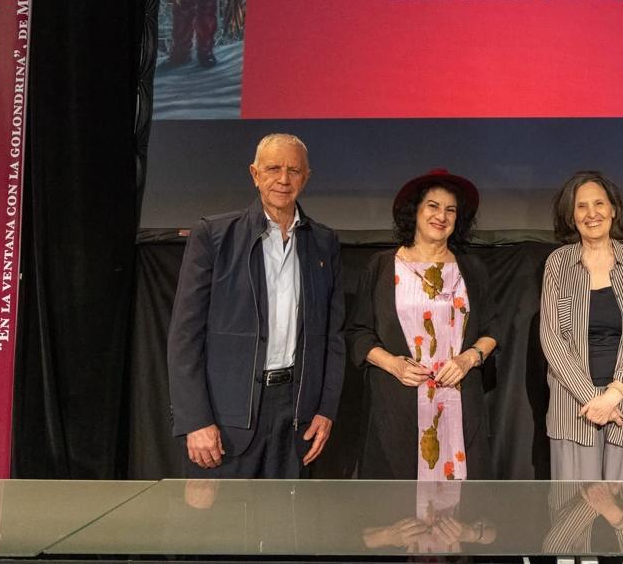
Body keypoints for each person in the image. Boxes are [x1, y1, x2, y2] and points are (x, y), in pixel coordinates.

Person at [167, 133, 345, 477]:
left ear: (306, 177)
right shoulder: (214, 236)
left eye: (294, 170)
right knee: (225, 514)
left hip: (297, 417)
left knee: (288, 513)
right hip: (227, 420)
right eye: (273, 168)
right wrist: (195, 419)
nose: (283, 179)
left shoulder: (324, 242)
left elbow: (333, 337)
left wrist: (326, 410)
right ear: (255, 174)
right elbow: (185, 336)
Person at [346, 169, 498, 479]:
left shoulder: (472, 268)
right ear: (414, 211)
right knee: (398, 502)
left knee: (462, 504)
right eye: (433, 206)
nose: (441, 216)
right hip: (397, 407)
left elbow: (491, 330)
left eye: (450, 210)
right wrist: (393, 364)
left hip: (459, 404)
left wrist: (468, 359)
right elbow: (358, 333)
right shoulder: (382, 266)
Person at [540, 171, 623, 481]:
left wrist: (613, 396)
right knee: (575, 507)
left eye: (599, 204)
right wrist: (592, 399)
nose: (591, 213)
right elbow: (552, 340)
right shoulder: (557, 264)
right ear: (571, 216)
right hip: (575, 409)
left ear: (613, 210)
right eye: (581, 206)